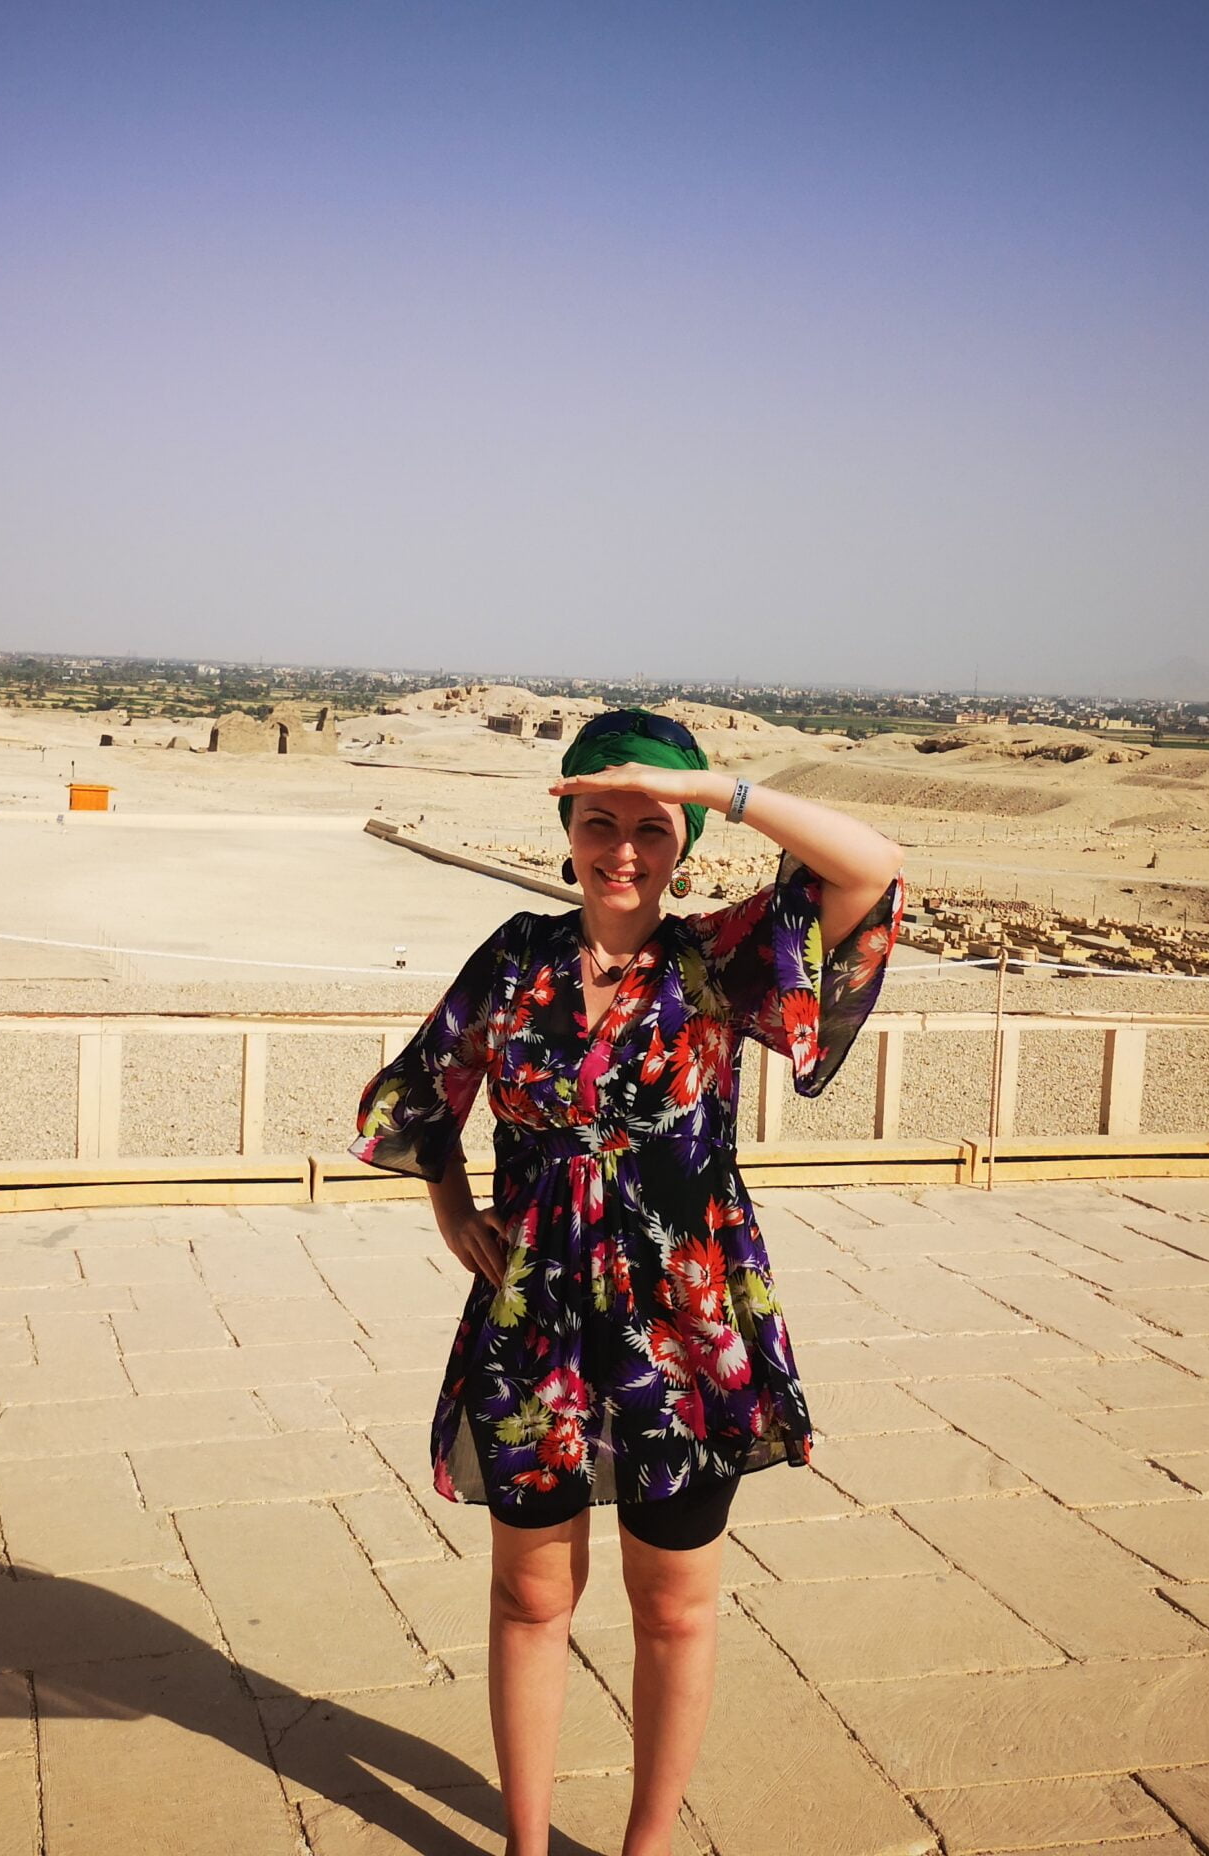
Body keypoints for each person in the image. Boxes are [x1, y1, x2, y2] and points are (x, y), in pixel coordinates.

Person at [351, 708, 903, 1856]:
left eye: (651, 828)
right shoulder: (516, 956)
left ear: (683, 843)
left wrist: (714, 790)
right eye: (598, 821)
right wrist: (451, 1205)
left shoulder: (719, 959)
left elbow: (870, 867)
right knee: (530, 1597)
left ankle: (646, 1848)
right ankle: (526, 1845)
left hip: (685, 1328)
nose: (622, 850)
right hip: (537, 1320)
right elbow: (423, 1088)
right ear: (566, 829)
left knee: (673, 1608)